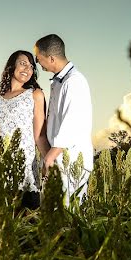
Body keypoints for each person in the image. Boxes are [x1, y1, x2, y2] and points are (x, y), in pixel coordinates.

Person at [0, 50, 48, 209]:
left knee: (27, 224)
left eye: (31, 66)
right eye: (23, 63)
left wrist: (48, 161)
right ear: (11, 66)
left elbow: (40, 135)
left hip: (24, 170)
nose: (28, 68)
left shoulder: (35, 94)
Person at [33, 34, 93, 203]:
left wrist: (50, 157)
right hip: (59, 158)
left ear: (51, 58)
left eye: (39, 59)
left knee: (68, 212)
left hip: (71, 159)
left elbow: (72, 122)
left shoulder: (74, 81)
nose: (37, 63)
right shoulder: (61, 81)